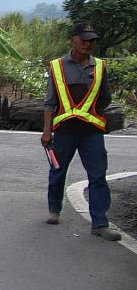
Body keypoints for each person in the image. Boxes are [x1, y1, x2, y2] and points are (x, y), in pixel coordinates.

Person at [42, 23, 120, 241]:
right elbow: (49, 102)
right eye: (84, 40)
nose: (88, 44)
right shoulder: (57, 66)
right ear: (72, 40)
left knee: (97, 176)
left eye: (91, 41)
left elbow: (105, 98)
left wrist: (89, 113)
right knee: (57, 171)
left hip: (91, 132)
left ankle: (100, 223)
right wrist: (47, 132)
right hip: (64, 131)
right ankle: (54, 209)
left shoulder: (100, 67)